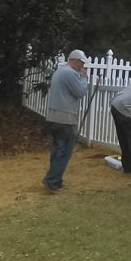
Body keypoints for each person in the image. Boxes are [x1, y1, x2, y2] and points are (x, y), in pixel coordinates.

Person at [42, 49, 89, 193]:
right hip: (66, 117)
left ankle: (56, 179)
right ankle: (52, 179)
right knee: (66, 151)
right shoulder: (70, 73)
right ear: (75, 60)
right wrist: (84, 78)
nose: (82, 66)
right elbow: (80, 92)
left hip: (54, 116)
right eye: (82, 63)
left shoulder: (59, 71)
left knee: (57, 149)